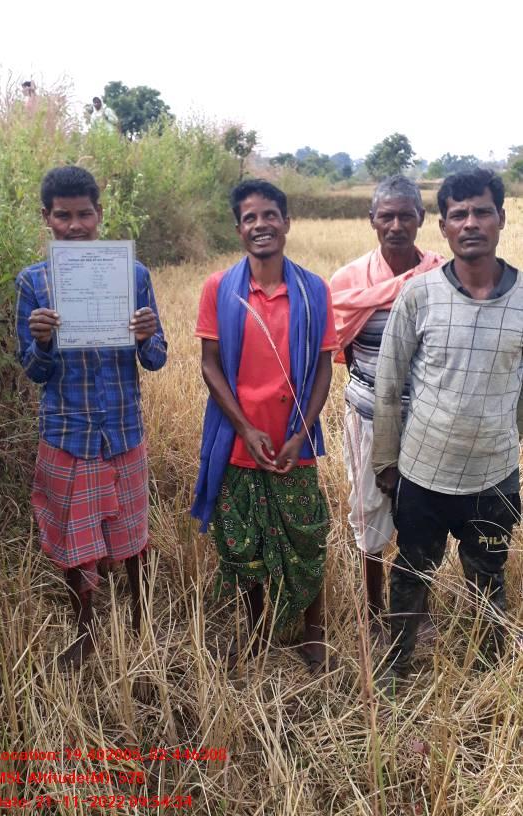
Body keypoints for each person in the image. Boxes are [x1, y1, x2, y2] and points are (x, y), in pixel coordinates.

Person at [372, 168, 523, 688]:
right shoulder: (419, 296)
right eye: (459, 214)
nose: (471, 223)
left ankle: (488, 674)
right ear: (443, 227)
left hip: (493, 476)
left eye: (482, 211)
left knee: (488, 575)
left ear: (502, 218)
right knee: (411, 573)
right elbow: (388, 384)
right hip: (423, 474)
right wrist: (386, 462)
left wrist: (515, 454)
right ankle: (395, 668)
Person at [15, 166, 167, 670]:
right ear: (47, 217)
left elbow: (156, 359)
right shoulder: (33, 283)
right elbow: (34, 371)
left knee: (133, 533)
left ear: (100, 214)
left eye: (84, 214)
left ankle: (140, 620)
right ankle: (85, 628)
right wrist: (41, 341)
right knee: (74, 540)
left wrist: (146, 335)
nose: (75, 225)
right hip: (67, 431)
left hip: (122, 429)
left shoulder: (133, 275)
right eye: (64, 215)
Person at [192, 179, 339, 672]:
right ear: (239, 229)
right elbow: (210, 365)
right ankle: (257, 631)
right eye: (250, 218)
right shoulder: (219, 289)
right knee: (244, 544)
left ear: (286, 222)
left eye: (270, 215)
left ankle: (313, 633)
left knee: (306, 537)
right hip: (237, 443)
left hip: (294, 442)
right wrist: (244, 428)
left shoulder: (313, 290)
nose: (261, 225)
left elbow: (323, 369)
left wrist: (301, 433)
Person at [330, 177, 444, 634]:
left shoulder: (440, 278)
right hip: (366, 417)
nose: (396, 225)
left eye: (405, 216)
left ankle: (416, 609)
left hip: (427, 421)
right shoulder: (348, 280)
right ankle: (376, 610)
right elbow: (343, 347)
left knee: (423, 515)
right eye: (386, 216)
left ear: (421, 219)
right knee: (369, 512)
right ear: (372, 221)